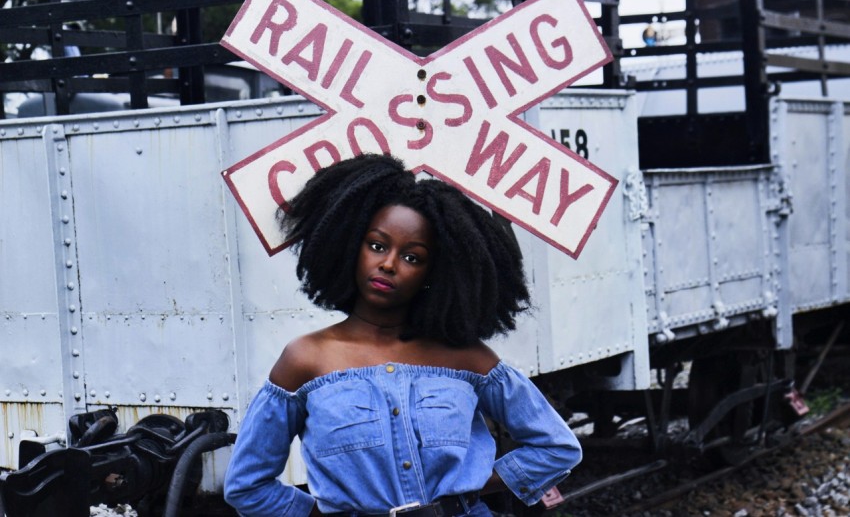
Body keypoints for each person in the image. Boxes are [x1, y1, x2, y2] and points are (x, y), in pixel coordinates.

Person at [224, 153, 582, 517]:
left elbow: (555, 447)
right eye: (377, 246)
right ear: (350, 246)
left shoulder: (467, 358)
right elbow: (248, 485)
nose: (389, 264)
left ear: (435, 272)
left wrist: (468, 491)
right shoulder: (305, 360)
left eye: (412, 257)